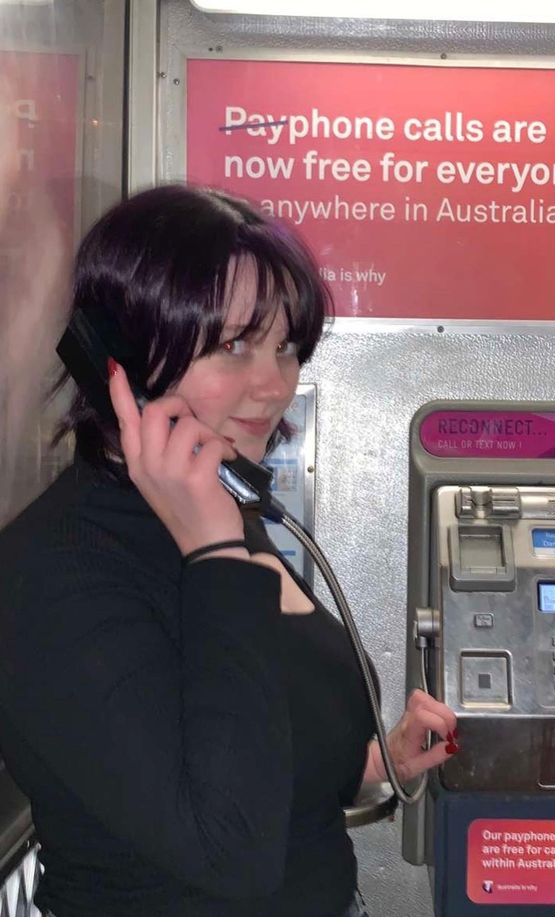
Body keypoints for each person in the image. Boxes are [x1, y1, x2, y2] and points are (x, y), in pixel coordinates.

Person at [0, 184, 457, 917]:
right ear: (114, 358)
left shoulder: (216, 518)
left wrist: (378, 760)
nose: (274, 384)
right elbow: (228, 850)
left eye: (285, 346)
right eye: (234, 345)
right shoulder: (55, 574)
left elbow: (262, 745)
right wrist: (214, 553)